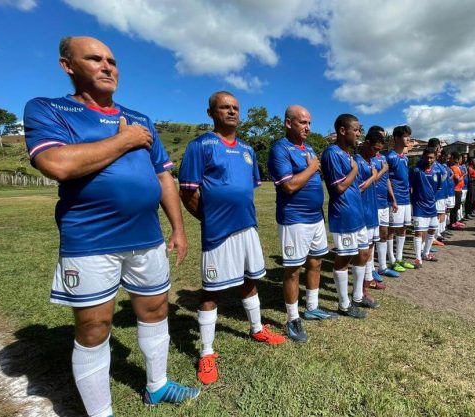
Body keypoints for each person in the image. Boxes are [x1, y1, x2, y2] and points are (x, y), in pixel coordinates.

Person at [23, 36, 198, 416]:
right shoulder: (49, 109)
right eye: (95, 59)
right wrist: (123, 141)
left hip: (147, 238)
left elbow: (164, 177)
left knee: (155, 312)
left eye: (112, 61)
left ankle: (157, 385)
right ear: (67, 66)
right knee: (95, 328)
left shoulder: (140, 119)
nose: (107, 66)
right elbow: (58, 164)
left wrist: (179, 229)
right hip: (91, 240)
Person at [179, 91, 286, 385]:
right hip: (218, 232)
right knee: (211, 291)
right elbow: (187, 192)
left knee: (250, 280)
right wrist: (211, 218)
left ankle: (256, 329)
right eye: (224, 107)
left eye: (235, 108)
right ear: (211, 112)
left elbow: (247, 189)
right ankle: (207, 352)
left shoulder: (248, 150)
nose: (231, 112)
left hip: (247, 227)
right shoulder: (200, 146)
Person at [268, 105, 338, 344]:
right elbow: (288, 186)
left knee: (316, 262)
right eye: (302, 123)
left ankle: (312, 306)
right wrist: (311, 167)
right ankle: (292, 317)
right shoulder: (280, 149)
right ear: (289, 123)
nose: (308, 127)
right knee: (293, 269)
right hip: (294, 218)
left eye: (309, 122)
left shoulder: (308, 147)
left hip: (315, 217)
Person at [321, 114, 378, 319]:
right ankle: (344, 305)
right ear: (343, 130)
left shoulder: (348, 154)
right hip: (343, 214)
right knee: (343, 258)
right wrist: (354, 170)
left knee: (363, 254)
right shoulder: (332, 153)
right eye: (356, 129)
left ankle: (358, 296)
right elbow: (339, 187)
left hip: (357, 213)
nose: (359, 133)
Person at [355, 129, 386, 295]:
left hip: (373, 209)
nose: (377, 153)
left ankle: (368, 279)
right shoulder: (357, 161)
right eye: (375, 149)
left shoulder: (370, 161)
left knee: (371, 247)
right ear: (366, 143)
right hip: (363, 212)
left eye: (379, 150)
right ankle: (361, 288)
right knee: (363, 251)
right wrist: (374, 176)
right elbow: (357, 189)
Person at [371, 127, 401, 279]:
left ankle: (382, 267)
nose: (381, 143)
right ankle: (370, 269)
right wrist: (383, 170)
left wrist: (393, 199)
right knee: (371, 238)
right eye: (379, 139)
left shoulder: (382, 158)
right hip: (371, 203)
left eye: (383, 140)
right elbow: (373, 177)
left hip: (384, 202)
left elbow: (387, 179)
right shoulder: (365, 157)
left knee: (383, 234)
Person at [385, 126, 416, 271]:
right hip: (395, 199)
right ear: (396, 138)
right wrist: (393, 198)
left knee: (403, 228)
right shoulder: (390, 157)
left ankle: (399, 258)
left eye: (409, 136)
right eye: (405, 136)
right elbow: (387, 179)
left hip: (406, 198)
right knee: (392, 229)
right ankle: (391, 260)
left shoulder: (405, 158)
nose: (408, 139)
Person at [410, 147, 440, 268]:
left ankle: (426, 253)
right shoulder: (416, 171)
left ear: (435, 158)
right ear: (423, 157)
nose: (429, 159)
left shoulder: (437, 171)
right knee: (419, 232)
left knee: (432, 229)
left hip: (432, 206)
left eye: (431, 157)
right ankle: (417, 258)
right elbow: (410, 187)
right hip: (419, 206)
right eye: (427, 157)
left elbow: (437, 187)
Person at [448, 152, 466, 230]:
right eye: (460, 159)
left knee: (457, 206)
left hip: (459, 189)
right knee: (454, 207)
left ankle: (455, 221)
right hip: (455, 190)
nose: (461, 160)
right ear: (457, 159)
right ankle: (452, 223)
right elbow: (458, 179)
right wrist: (463, 175)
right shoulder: (454, 168)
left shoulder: (458, 167)